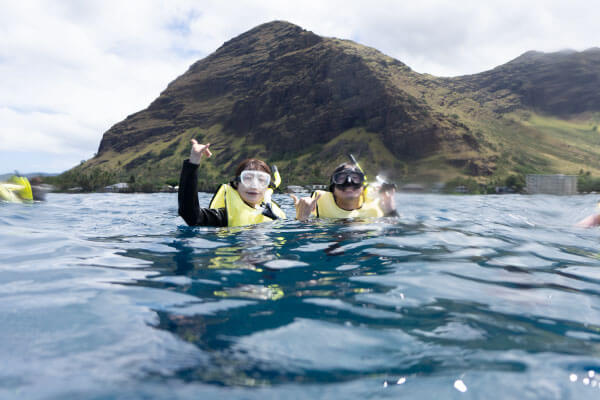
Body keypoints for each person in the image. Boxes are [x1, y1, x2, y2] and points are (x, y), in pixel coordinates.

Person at [178, 139, 286, 227]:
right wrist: (193, 161)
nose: (254, 185)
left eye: (262, 180)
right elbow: (191, 216)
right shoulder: (224, 216)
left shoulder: (274, 212)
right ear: (236, 184)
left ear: (267, 186)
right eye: (247, 178)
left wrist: (302, 220)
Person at [291, 162, 397, 220]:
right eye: (341, 178)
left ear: (362, 186)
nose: (349, 182)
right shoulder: (318, 202)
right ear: (333, 188)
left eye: (355, 178)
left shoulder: (376, 205)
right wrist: (302, 217)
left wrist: (390, 210)